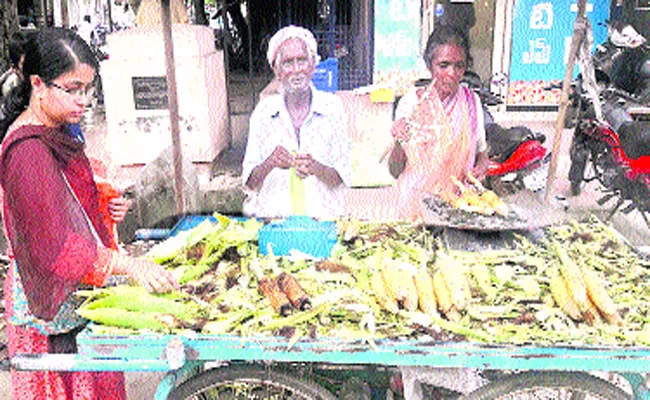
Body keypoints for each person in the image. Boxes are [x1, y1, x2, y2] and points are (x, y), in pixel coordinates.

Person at [0, 28, 178, 399]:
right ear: (39, 84)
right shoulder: (27, 152)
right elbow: (54, 244)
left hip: (78, 287)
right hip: (49, 303)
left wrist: (105, 204)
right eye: (73, 88)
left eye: (89, 88)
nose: (84, 100)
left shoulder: (58, 128)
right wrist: (129, 265)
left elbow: (70, 199)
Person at [242, 25, 349, 219]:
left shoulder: (333, 109)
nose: (296, 70)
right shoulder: (263, 114)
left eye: (302, 60)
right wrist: (269, 163)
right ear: (277, 70)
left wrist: (317, 168)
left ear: (313, 65)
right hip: (274, 224)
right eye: (288, 63)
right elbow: (249, 184)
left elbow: (341, 178)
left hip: (323, 224)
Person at [388, 26, 489, 220]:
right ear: (429, 65)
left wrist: (482, 168)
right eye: (443, 65)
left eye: (459, 66)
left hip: (458, 211)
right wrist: (400, 142)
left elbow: (482, 155)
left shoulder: (471, 103)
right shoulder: (411, 104)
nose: (452, 73)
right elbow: (394, 171)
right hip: (415, 211)